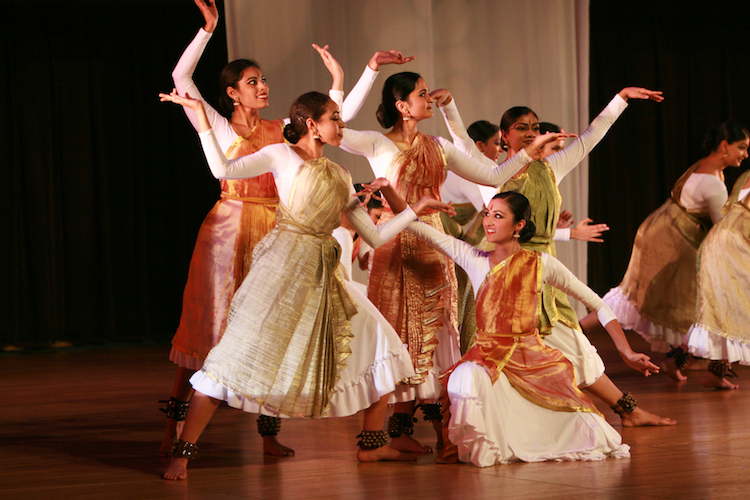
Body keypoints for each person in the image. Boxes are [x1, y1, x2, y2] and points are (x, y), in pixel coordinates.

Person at [159, 87, 456, 480]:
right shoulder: (280, 155)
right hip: (283, 271)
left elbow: (375, 235)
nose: (341, 124)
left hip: (326, 273)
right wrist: (200, 120)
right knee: (231, 361)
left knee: (387, 346)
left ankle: (372, 443)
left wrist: (413, 209)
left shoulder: (341, 173)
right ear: (312, 124)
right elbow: (223, 171)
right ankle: (183, 453)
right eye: (335, 118)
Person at [160, 0, 414, 457]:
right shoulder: (222, 125)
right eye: (253, 81)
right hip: (233, 228)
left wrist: (355, 76)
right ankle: (176, 436)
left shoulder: (285, 132)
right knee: (215, 328)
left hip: (280, 229)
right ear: (233, 93)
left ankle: (269, 433)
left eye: (264, 79)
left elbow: (334, 118)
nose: (264, 86)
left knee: (277, 329)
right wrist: (207, 31)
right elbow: (183, 83)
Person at [337, 69, 570, 451]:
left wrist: (530, 150)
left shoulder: (438, 146)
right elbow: (336, 127)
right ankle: (374, 442)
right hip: (397, 244)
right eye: (422, 94)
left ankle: (441, 434)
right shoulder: (377, 144)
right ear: (402, 106)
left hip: (435, 242)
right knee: (399, 337)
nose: (429, 98)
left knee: (441, 336)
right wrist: (362, 73)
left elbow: (494, 173)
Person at [440, 89, 674, 426]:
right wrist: (449, 105)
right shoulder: (491, 174)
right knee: (524, 351)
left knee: (572, 343)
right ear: (504, 137)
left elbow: (593, 135)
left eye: (535, 126)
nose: (531, 132)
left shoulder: (550, 168)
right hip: (507, 274)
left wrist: (621, 98)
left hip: (543, 271)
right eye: (521, 127)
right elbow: (462, 140)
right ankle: (506, 421)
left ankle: (626, 410)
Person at [391, 190, 631, 467]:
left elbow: (598, 304)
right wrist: (393, 192)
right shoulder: (474, 258)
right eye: (487, 214)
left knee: (596, 436)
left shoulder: (542, 264)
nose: (488, 222)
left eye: (499, 215)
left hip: (531, 359)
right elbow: (414, 225)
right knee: (464, 377)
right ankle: (490, 448)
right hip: (488, 358)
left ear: (519, 225)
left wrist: (626, 351)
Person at [593, 122, 749, 381]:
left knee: (682, 303)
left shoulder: (703, 167)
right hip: (671, 240)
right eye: (741, 147)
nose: (744, 154)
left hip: (664, 231)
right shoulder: (714, 183)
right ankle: (575, 329)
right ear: (724, 146)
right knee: (639, 297)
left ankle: (679, 360)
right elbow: (724, 227)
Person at [684, 170, 750, 389]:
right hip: (732, 247)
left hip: (722, 244)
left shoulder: (746, 175)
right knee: (727, 309)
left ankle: (713, 373)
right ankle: (676, 358)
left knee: (725, 310)